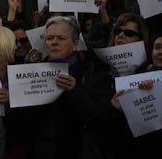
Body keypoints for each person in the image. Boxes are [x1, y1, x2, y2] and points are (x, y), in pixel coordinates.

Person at [20, 15, 115, 159]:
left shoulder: (94, 71)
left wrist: (76, 90)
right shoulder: (33, 73)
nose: (54, 42)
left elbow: (101, 115)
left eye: (61, 38)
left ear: (76, 44)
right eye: (50, 38)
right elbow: (25, 124)